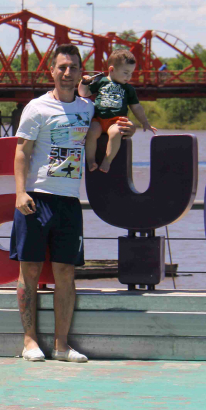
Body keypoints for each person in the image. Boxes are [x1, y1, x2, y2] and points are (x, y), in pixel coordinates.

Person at [12, 45, 135, 362]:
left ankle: (61, 345)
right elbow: (22, 152)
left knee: (65, 272)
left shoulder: (88, 108)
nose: (68, 73)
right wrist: (20, 192)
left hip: (68, 200)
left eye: (74, 68)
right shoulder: (36, 108)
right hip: (36, 197)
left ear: (82, 73)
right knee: (30, 270)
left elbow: (111, 126)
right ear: (52, 71)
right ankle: (29, 342)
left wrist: (128, 128)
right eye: (62, 67)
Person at [79, 49, 156, 173]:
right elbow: (84, 93)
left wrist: (145, 122)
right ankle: (90, 160)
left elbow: (136, 107)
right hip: (98, 119)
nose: (129, 77)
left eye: (131, 73)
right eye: (125, 73)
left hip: (116, 121)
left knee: (116, 133)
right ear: (111, 69)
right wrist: (84, 83)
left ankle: (107, 160)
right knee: (91, 132)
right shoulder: (101, 82)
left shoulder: (128, 89)